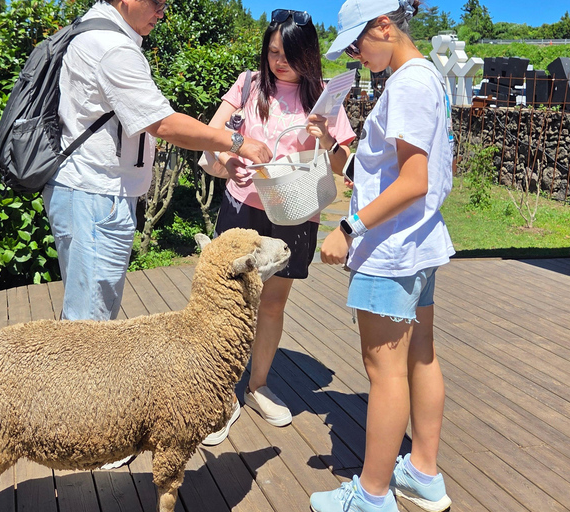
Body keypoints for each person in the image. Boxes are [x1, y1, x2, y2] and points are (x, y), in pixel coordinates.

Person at [45, 0, 271, 469]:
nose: (164, 13)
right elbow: (162, 123)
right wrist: (236, 141)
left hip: (95, 193)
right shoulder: (111, 48)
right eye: (159, 2)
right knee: (89, 325)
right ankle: (87, 435)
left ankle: (82, 422)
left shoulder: (100, 35)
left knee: (94, 313)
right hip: (94, 196)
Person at [309, 0, 455, 511]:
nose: (354, 53)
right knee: (420, 355)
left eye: (357, 42)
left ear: (384, 26)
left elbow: (415, 181)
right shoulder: (425, 77)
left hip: (390, 249)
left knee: (384, 370)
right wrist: (339, 146)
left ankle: (371, 497)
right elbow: (391, 172)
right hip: (418, 243)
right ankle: (423, 473)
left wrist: (348, 227)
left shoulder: (409, 84)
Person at [199, 9, 356, 446]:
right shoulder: (249, 85)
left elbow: (344, 165)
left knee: (272, 302)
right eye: (272, 52)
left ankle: (257, 385)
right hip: (242, 208)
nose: (278, 62)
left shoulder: (325, 96)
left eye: (288, 54)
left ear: (308, 54)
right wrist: (228, 161)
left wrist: (325, 137)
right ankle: (219, 395)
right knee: (229, 301)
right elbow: (211, 137)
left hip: (292, 211)